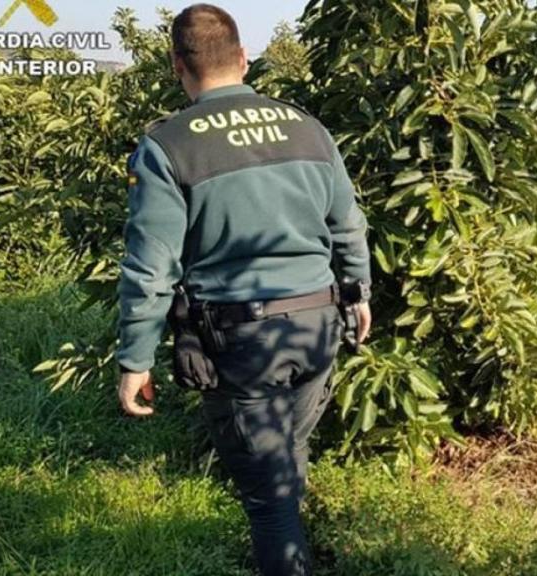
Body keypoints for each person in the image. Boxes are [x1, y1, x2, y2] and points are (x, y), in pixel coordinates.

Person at [113, 5, 372, 575]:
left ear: (177, 64)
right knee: (284, 461)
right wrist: (358, 293)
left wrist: (135, 358)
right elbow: (347, 224)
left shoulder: (168, 146)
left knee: (268, 498)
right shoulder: (307, 127)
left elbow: (150, 265)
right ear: (244, 57)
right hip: (316, 325)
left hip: (240, 339)